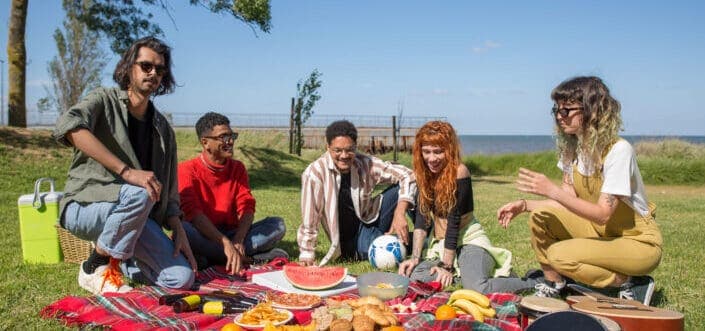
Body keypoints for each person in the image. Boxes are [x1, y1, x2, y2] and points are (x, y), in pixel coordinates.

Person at [496, 76, 662, 305]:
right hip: (599, 232)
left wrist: (552, 190)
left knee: (559, 256)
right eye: (556, 109)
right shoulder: (572, 150)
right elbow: (567, 202)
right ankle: (555, 284)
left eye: (567, 110)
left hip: (637, 241)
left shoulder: (618, 151)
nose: (559, 116)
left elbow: (603, 214)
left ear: (593, 110)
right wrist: (524, 205)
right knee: (540, 217)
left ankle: (628, 281)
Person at [53, 37, 196, 295]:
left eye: (160, 69)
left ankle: (124, 259)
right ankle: (93, 266)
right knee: (140, 192)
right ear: (129, 67)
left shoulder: (163, 130)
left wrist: (178, 228)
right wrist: (127, 172)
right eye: (146, 66)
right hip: (85, 206)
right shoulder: (103, 100)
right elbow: (69, 125)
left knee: (181, 278)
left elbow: (170, 191)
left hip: (134, 215)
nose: (153, 73)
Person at [398, 121, 537, 293]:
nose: (431, 158)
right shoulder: (423, 173)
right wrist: (415, 258)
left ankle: (535, 282)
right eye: (426, 152)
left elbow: (454, 221)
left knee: (477, 288)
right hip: (441, 244)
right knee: (415, 274)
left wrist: (446, 265)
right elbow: (421, 218)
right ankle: (467, 274)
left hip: (468, 241)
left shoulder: (459, 171)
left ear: (449, 150)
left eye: (438, 152)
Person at [178, 112, 288, 274]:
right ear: (205, 142)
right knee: (185, 230)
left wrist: (238, 240)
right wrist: (225, 244)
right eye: (223, 137)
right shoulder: (186, 169)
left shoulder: (238, 168)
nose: (230, 141)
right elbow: (193, 214)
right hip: (203, 233)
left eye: (231, 136)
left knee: (277, 225)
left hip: (232, 233)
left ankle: (211, 259)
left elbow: (247, 206)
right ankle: (247, 259)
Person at [298, 120, 416, 266]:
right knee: (377, 251)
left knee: (416, 183)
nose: (344, 156)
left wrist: (399, 213)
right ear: (328, 147)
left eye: (349, 150)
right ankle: (420, 243)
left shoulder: (365, 163)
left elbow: (408, 175)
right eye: (337, 150)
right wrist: (307, 253)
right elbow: (310, 217)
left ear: (356, 146)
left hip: (372, 217)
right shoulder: (315, 173)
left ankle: (424, 234)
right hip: (350, 241)